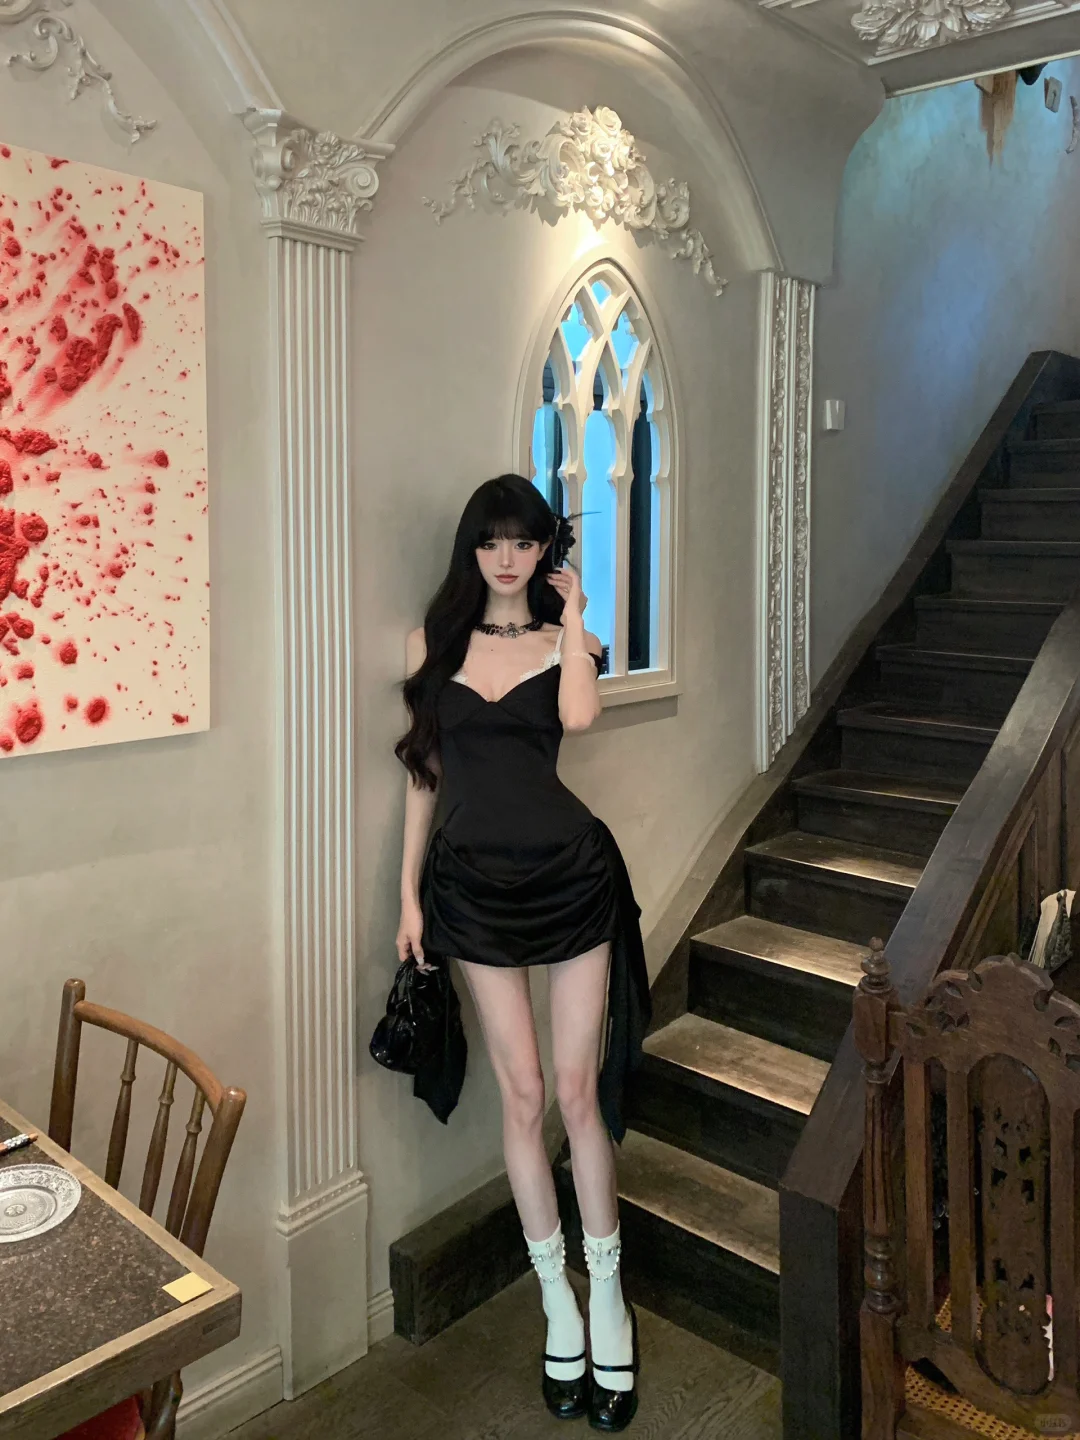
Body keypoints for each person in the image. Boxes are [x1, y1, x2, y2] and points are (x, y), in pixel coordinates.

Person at [394, 474, 651, 1431]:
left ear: (546, 550)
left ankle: (608, 1297)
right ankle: (557, 1305)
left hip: (571, 877)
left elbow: (578, 720)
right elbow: (424, 778)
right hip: (469, 888)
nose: (507, 558)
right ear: (472, 550)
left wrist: (573, 616)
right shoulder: (432, 644)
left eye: (525, 542)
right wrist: (407, 896)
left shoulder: (571, 642)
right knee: (524, 1095)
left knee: (577, 1093)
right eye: (491, 542)